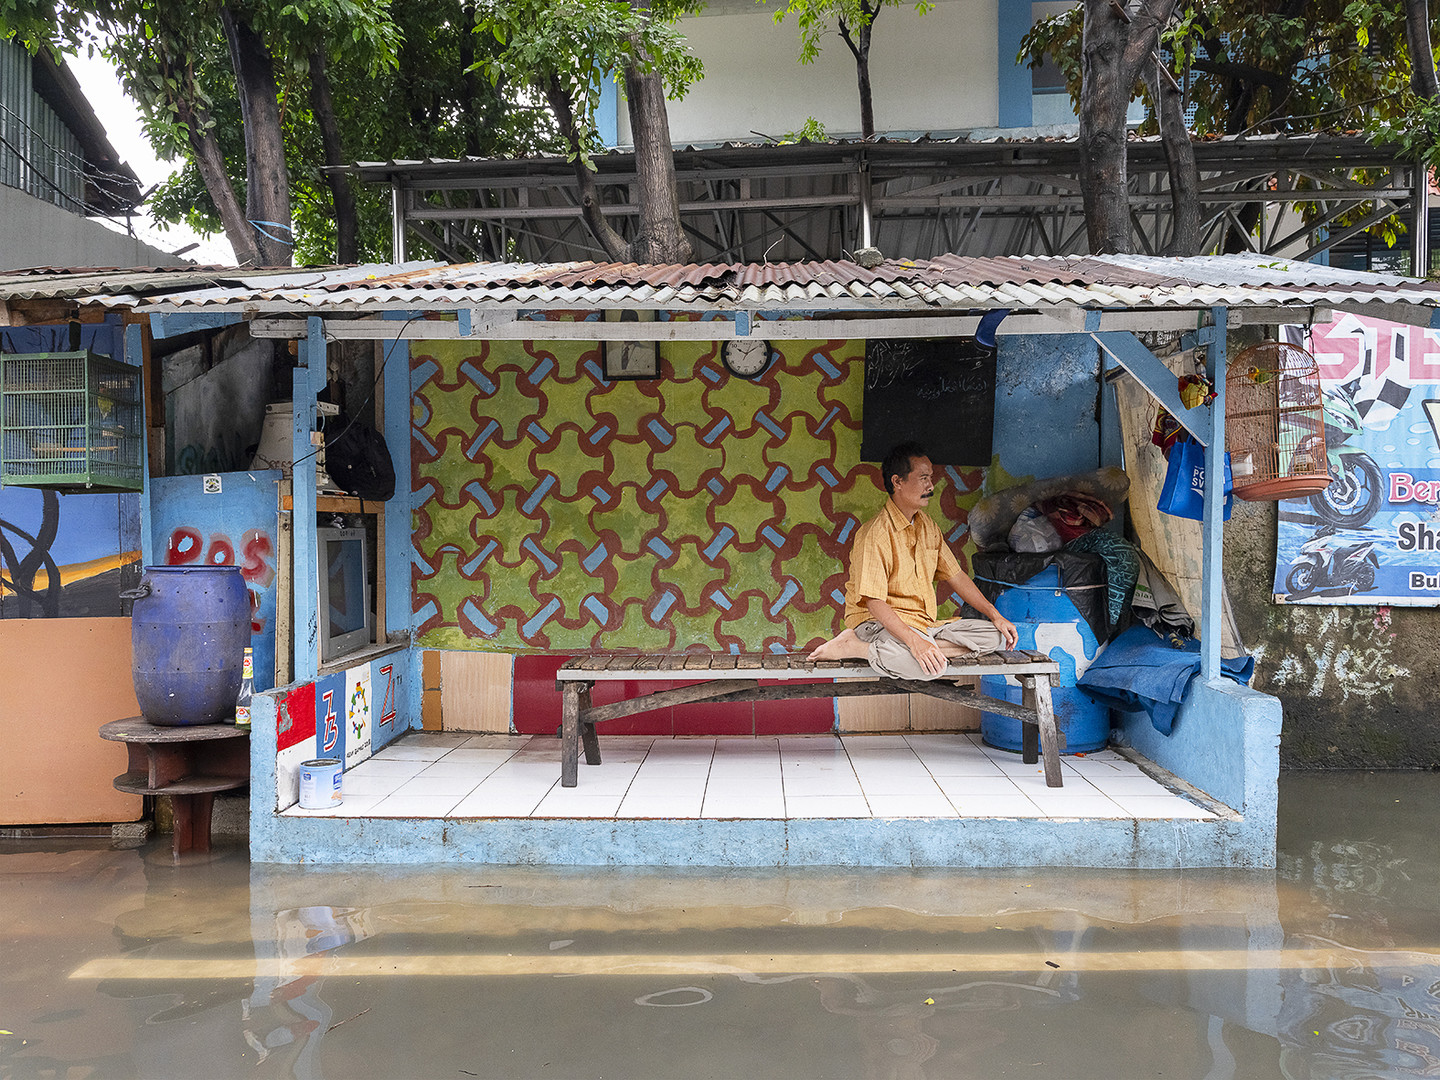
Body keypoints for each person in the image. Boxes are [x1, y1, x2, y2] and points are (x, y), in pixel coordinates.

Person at [807, 441, 1018, 680]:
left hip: (923, 624)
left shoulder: (928, 527)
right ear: (898, 482)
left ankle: (919, 648)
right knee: (927, 669)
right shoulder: (875, 534)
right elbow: (874, 603)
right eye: (923, 478)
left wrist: (996, 616)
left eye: (931, 478)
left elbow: (957, 576)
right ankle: (856, 647)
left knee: (998, 636)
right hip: (877, 624)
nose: (931, 485)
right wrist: (914, 642)